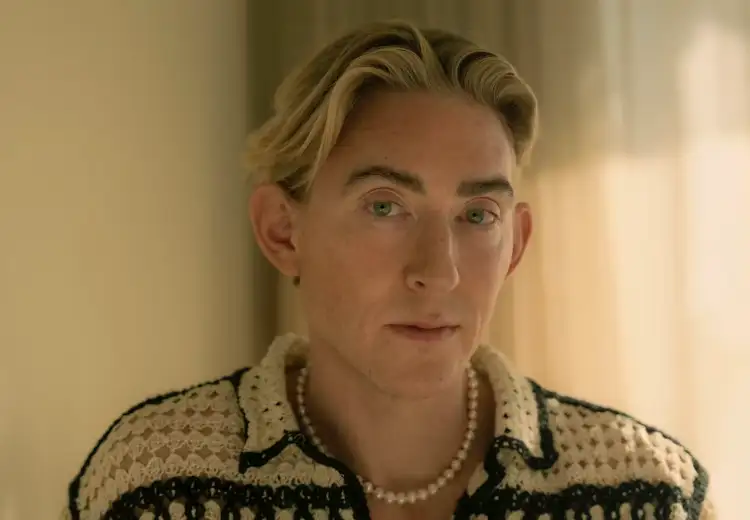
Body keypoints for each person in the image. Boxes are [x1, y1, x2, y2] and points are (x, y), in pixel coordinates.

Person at [62, 20, 715, 520]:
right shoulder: (155, 486)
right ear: (283, 231)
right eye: (385, 206)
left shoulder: (649, 494)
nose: (439, 272)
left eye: (478, 215)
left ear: (515, 245)